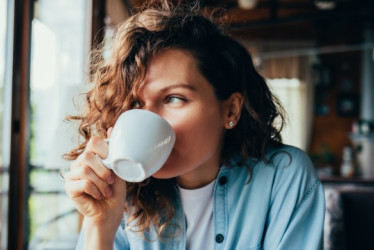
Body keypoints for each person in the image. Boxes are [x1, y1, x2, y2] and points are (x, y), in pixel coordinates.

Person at [63, 1, 325, 249]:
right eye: (134, 102)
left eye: (174, 98)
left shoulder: (283, 176)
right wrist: (99, 227)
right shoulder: (122, 190)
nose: (148, 118)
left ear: (230, 110)